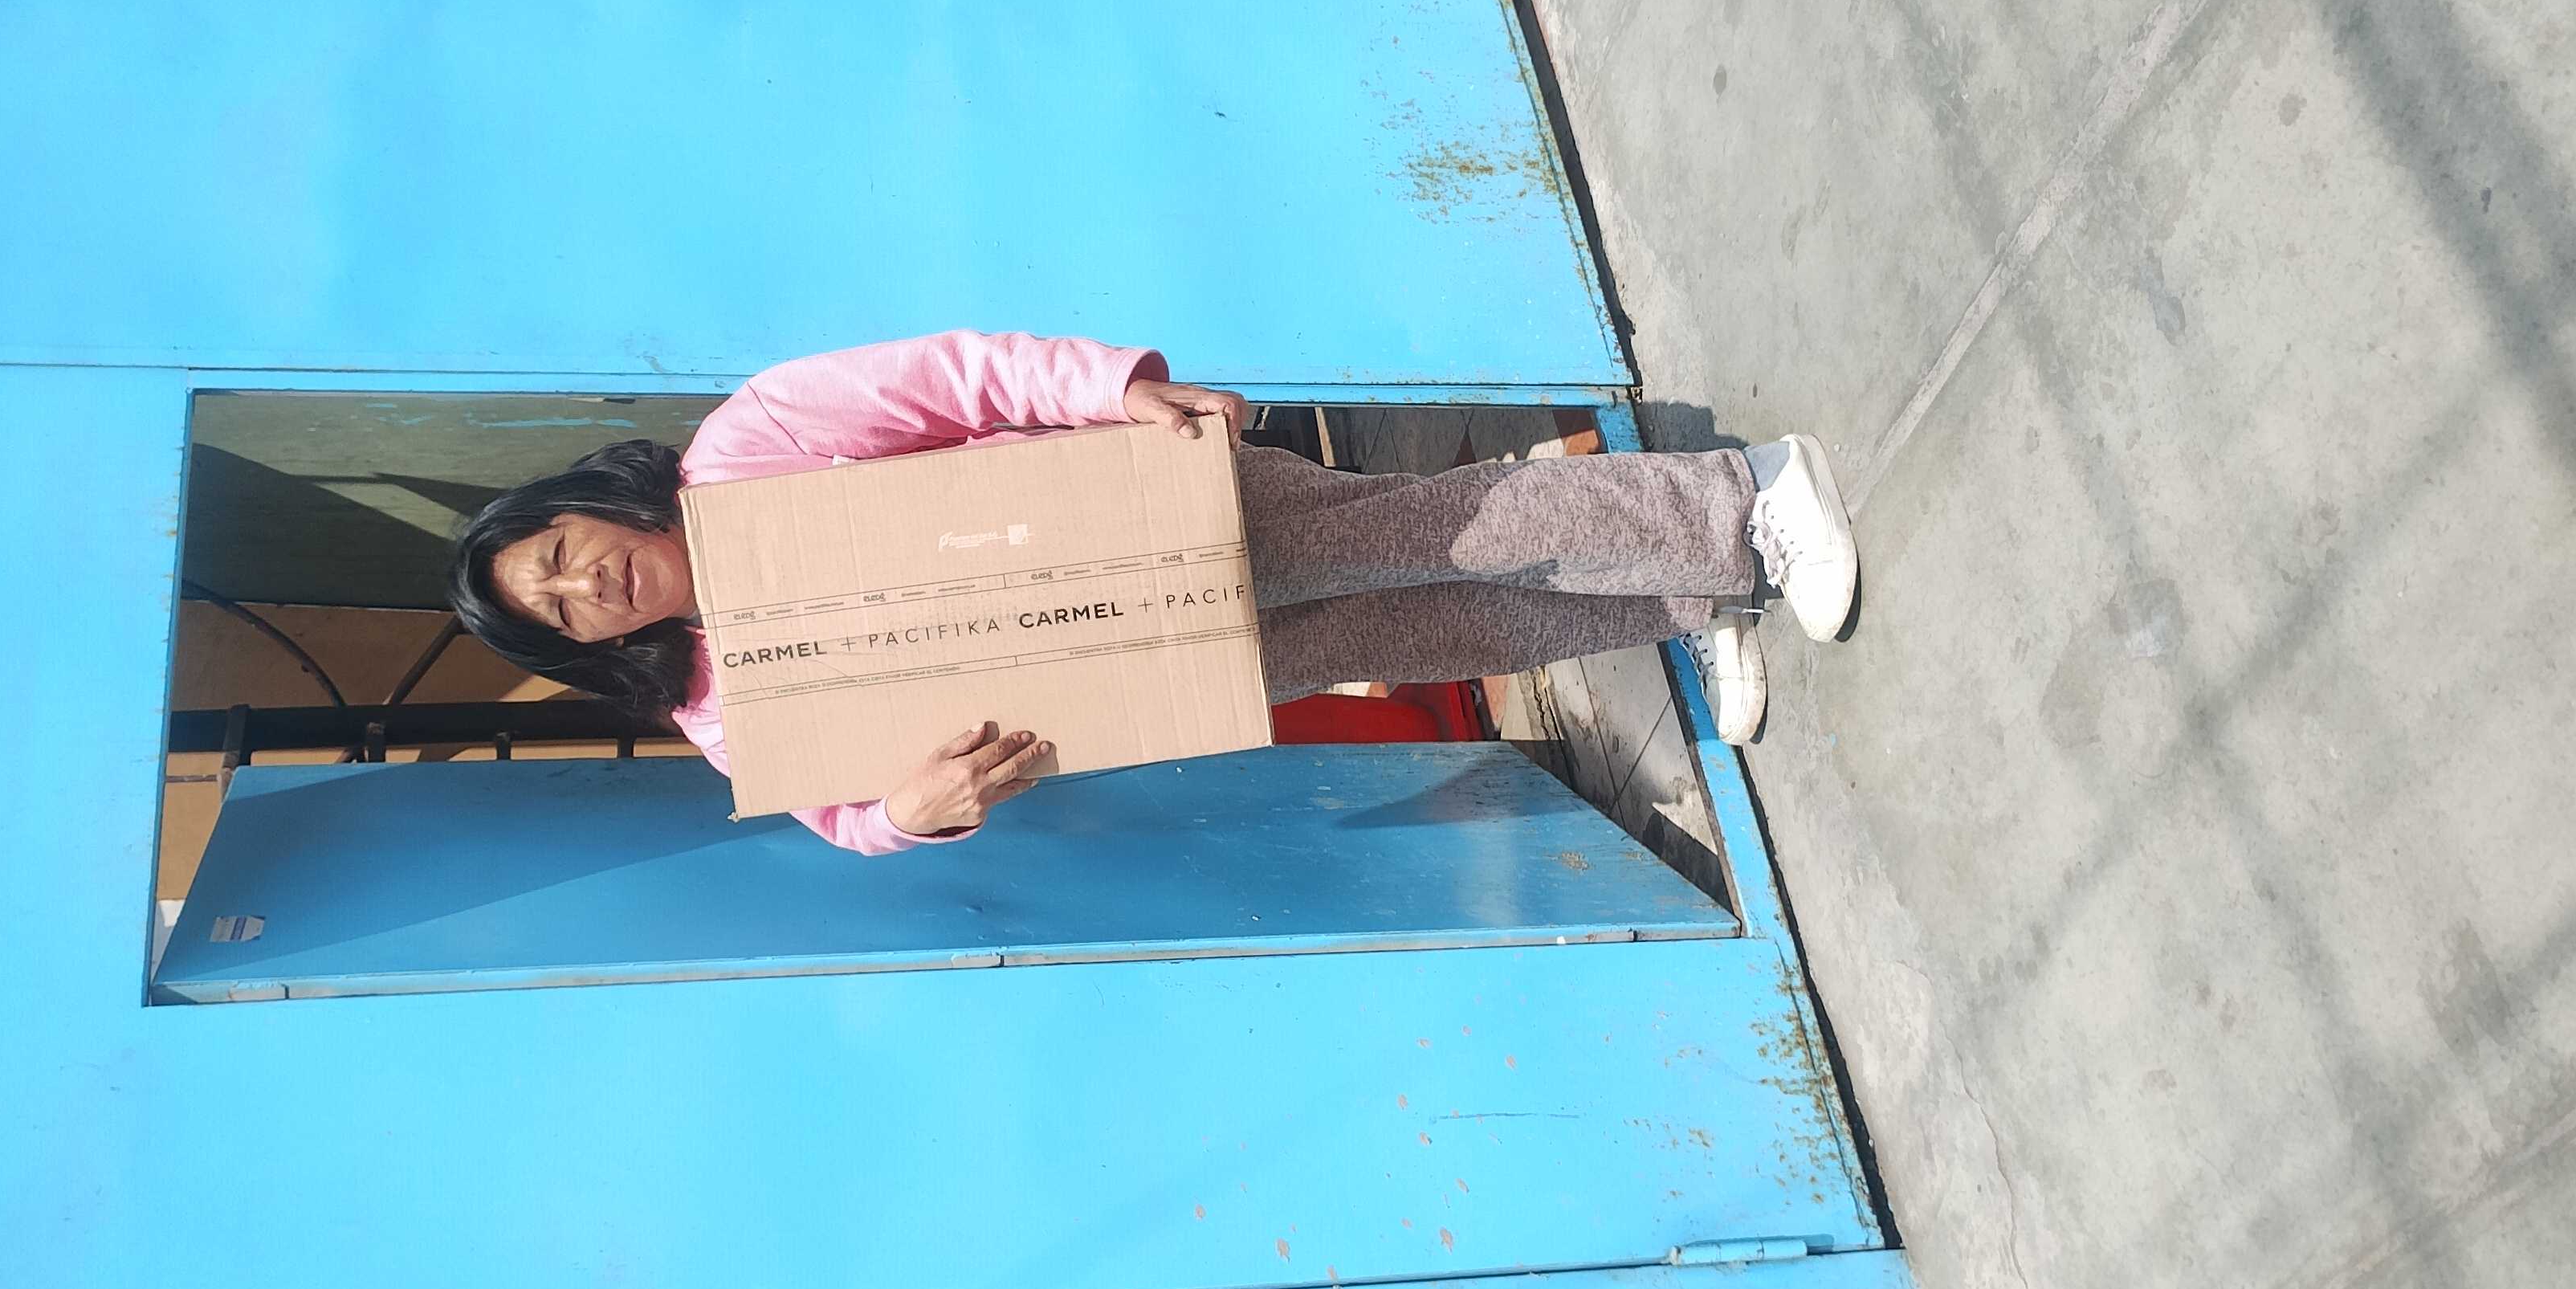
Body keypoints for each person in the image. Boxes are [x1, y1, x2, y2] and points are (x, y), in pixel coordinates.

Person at [448, 330, 1856, 854]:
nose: (587, 584)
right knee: (1452, 623)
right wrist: (900, 819)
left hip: (1140, 524)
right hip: (1132, 667)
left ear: (586, 506)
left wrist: (1118, 392)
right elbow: (837, 814)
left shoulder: (749, 445)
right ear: (589, 646)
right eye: (561, 611)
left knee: (1445, 530)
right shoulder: (718, 710)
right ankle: (1696, 591)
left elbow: (951, 378)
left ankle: (1747, 499)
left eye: (560, 553)